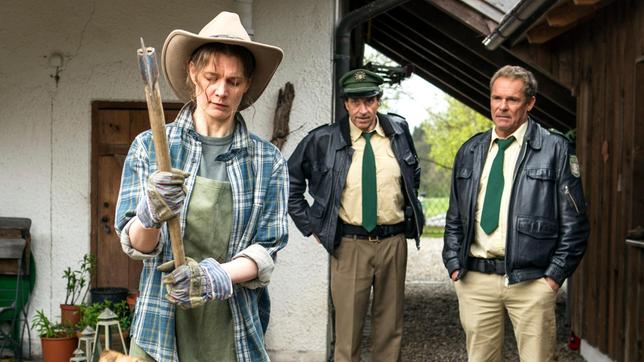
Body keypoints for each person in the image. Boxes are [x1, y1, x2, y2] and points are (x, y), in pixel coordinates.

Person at [114, 12, 288, 362]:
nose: (221, 91)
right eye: (211, 76)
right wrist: (149, 215)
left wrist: (218, 277)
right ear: (192, 71)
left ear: (247, 85)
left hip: (231, 327)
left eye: (233, 81)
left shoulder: (267, 161)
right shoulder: (150, 147)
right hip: (159, 327)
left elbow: (267, 248)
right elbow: (136, 245)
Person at [442, 65, 589, 361]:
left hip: (532, 283)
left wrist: (552, 279)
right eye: (497, 98)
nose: (503, 107)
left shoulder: (555, 148)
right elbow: (455, 216)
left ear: (530, 103)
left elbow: (575, 224)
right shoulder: (470, 150)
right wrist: (454, 263)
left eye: (512, 100)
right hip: (476, 279)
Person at [288, 69, 425, 361]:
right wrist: (312, 226)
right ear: (346, 103)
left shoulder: (398, 131)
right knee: (348, 334)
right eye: (355, 102)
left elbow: (413, 175)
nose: (363, 110)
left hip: (393, 241)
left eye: (370, 101)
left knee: (390, 330)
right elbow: (289, 183)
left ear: (378, 100)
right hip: (349, 244)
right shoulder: (323, 139)